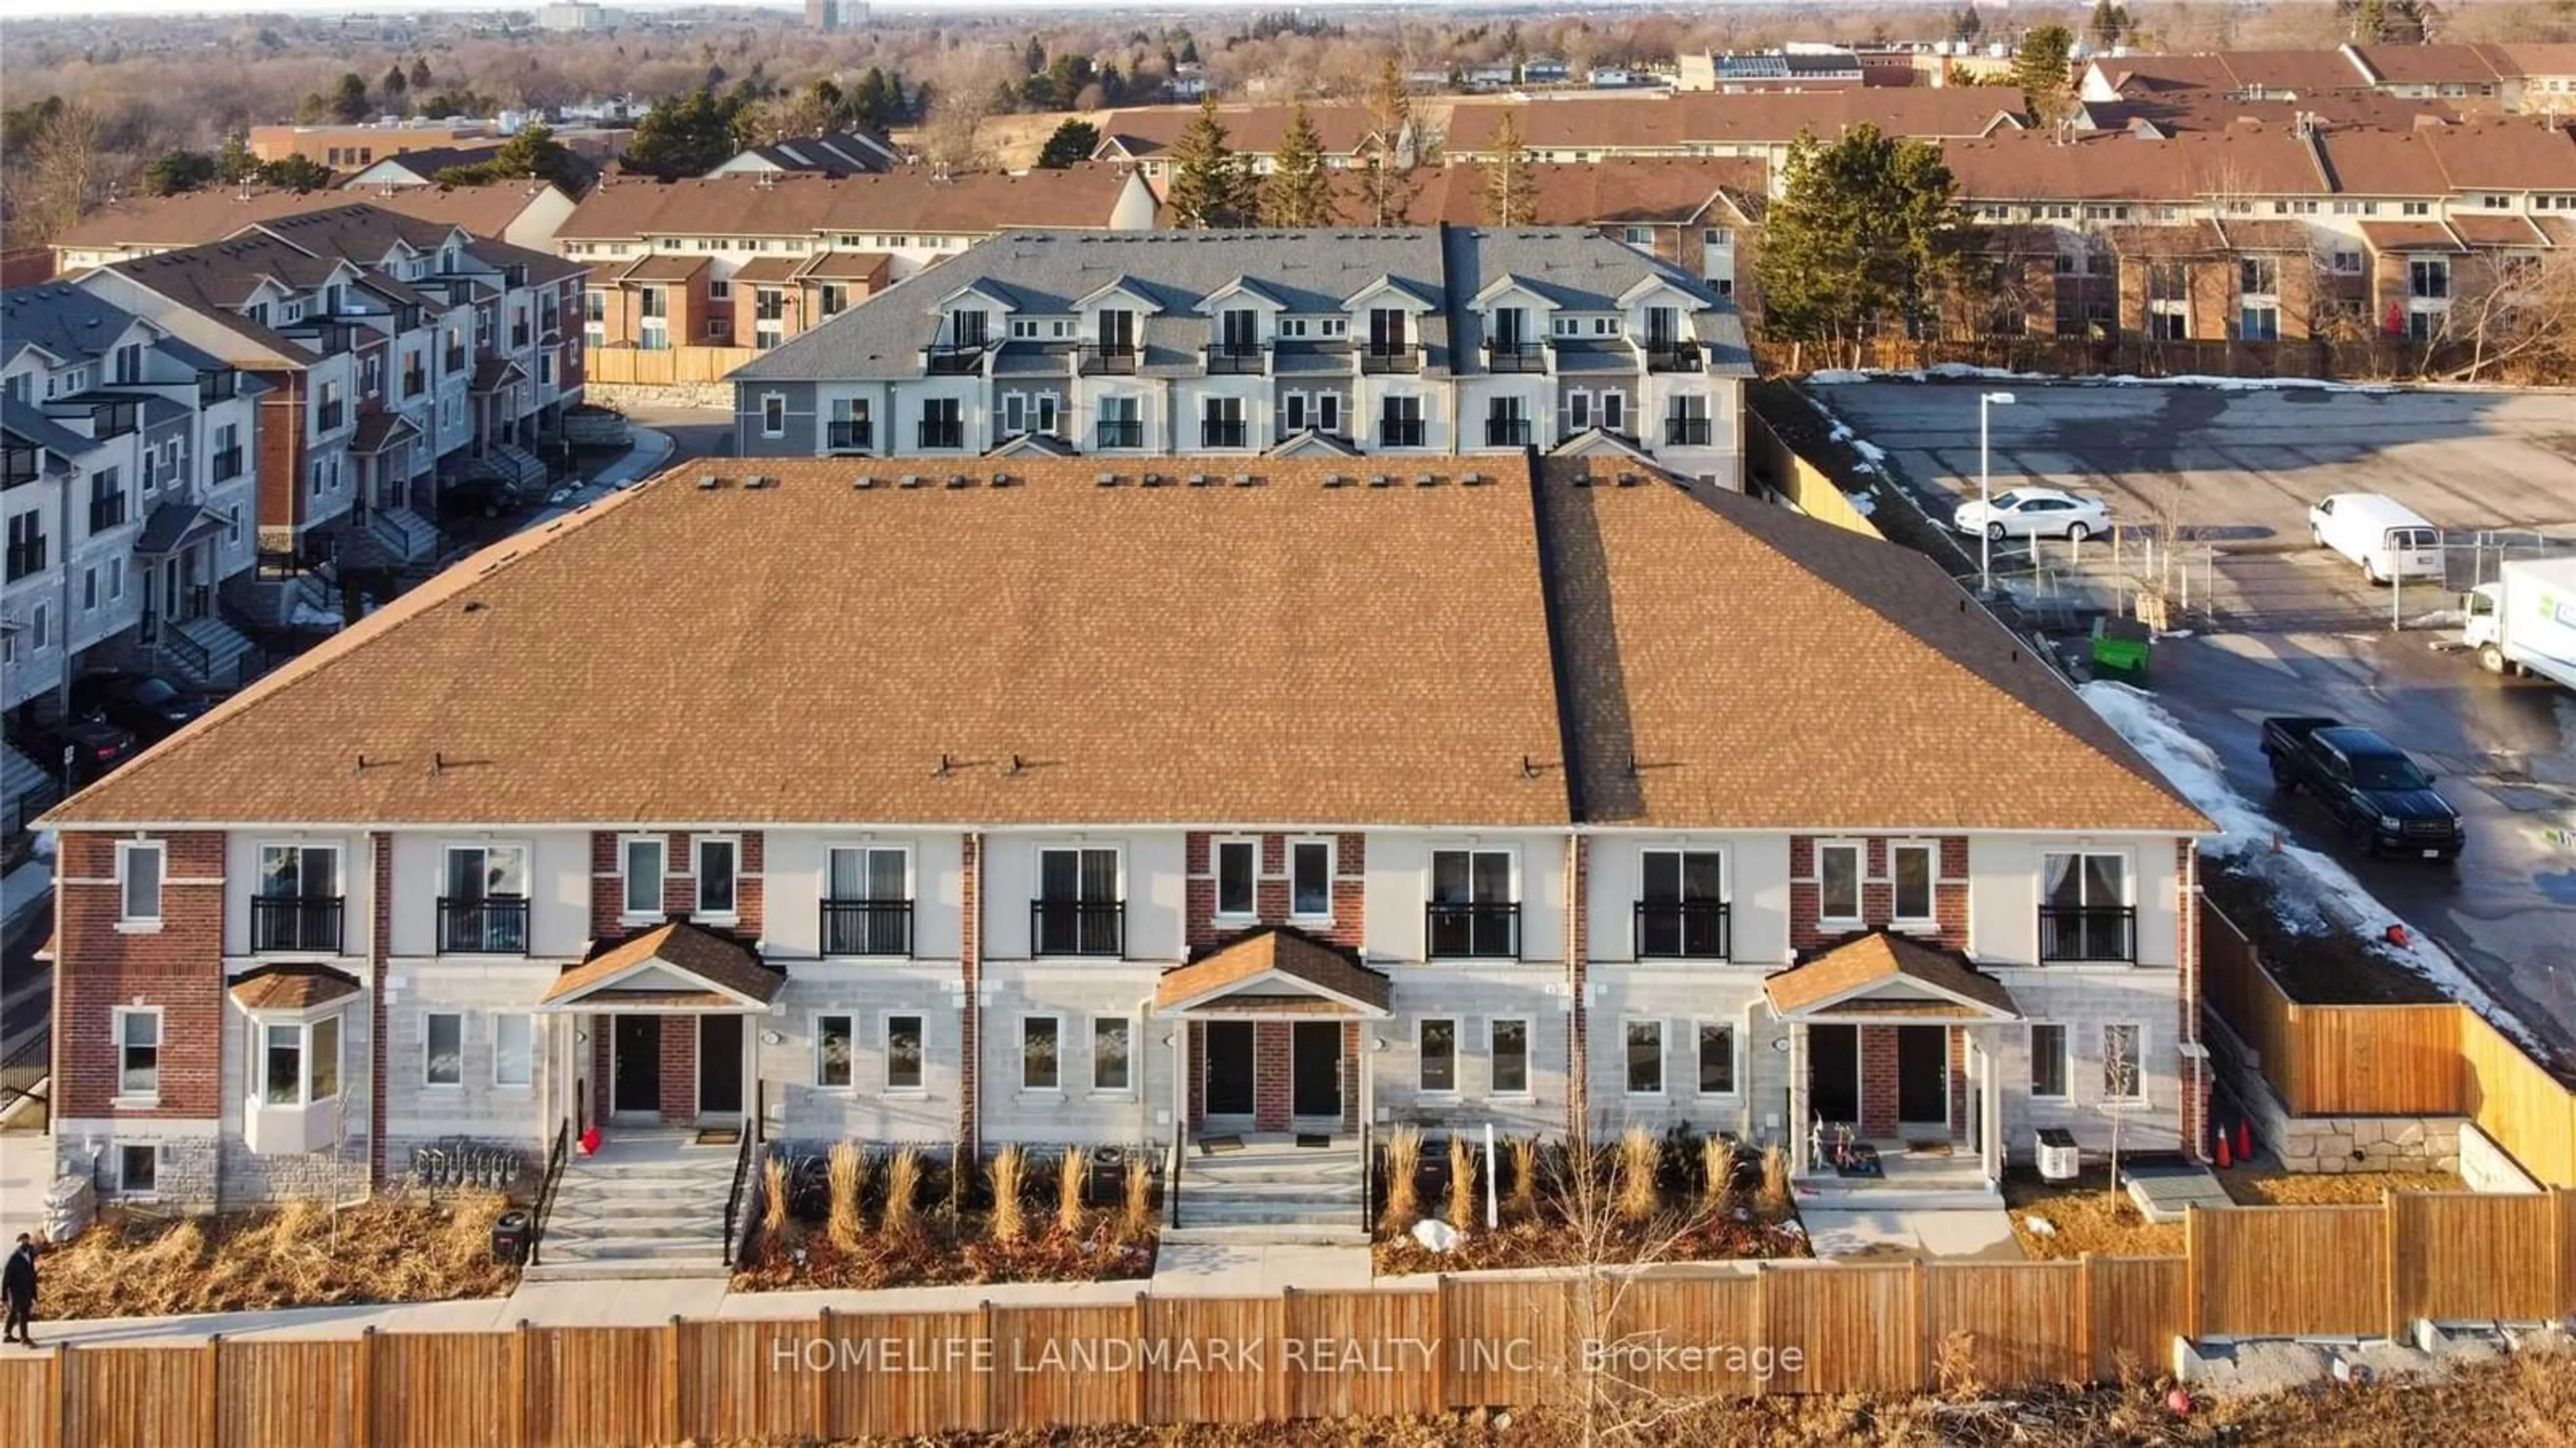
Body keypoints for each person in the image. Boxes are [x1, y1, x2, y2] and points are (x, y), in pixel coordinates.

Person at [3, 1233, 36, 1347]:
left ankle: (7, 1334)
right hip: (16, 1291)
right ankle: (24, 1338)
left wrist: (34, 1292)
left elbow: (32, 1273)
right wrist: (4, 1297)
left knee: (13, 1312)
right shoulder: (14, 1258)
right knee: (23, 1313)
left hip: (26, 1289)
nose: (25, 1243)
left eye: (27, 1240)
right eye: (23, 1241)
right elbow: (6, 1278)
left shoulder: (30, 1253)